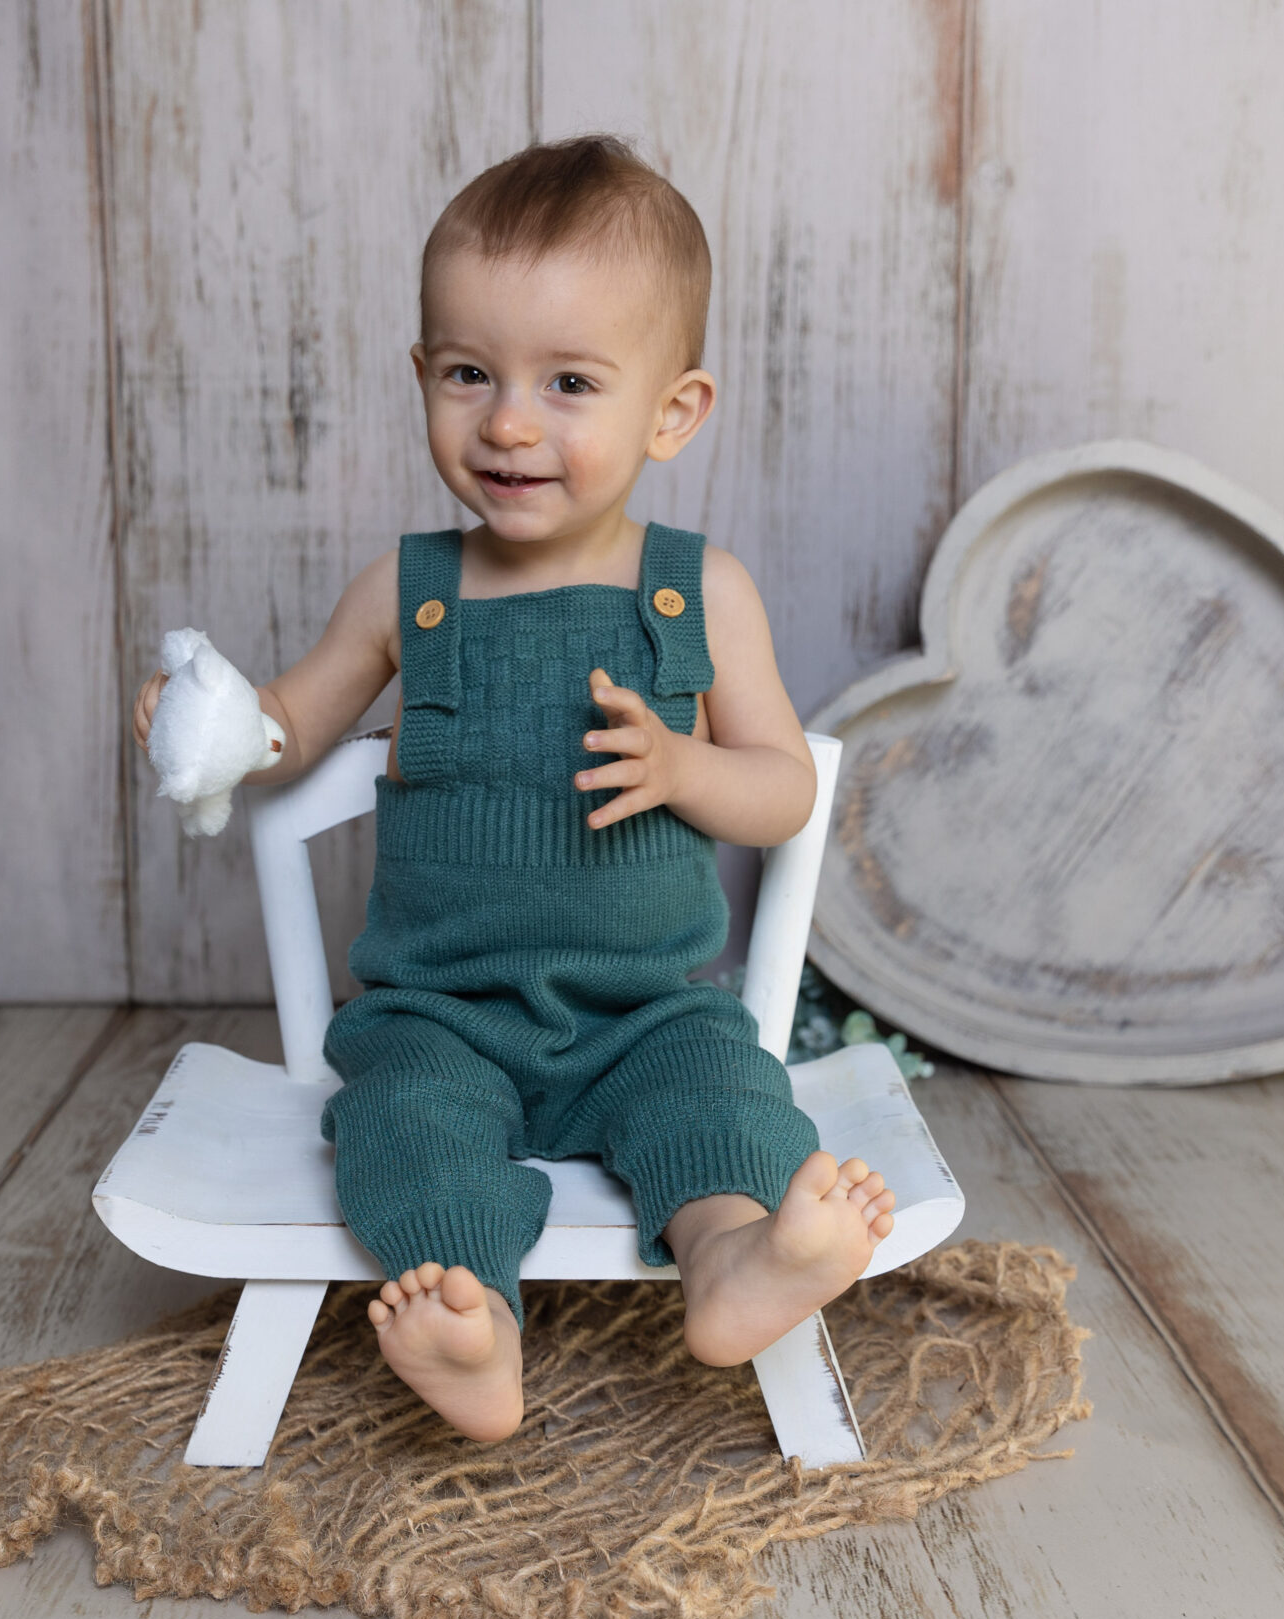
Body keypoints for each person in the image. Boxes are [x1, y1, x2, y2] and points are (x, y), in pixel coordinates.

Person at [132, 135, 895, 1442]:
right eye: (470, 374)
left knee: (721, 1109)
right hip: (441, 1015)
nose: (510, 422)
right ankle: (471, 1320)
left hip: (645, 1012)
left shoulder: (698, 594)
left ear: (673, 410)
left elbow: (782, 794)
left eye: (571, 383)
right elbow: (294, 725)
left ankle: (732, 1264)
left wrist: (684, 765)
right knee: (401, 1134)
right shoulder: (406, 590)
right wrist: (214, 731)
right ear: (424, 375)